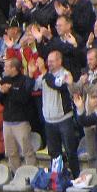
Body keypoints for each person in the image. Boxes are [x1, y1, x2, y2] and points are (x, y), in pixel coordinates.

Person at [39, 49, 79, 177]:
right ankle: (57, 179)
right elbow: (34, 86)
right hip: (49, 121)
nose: (48, 64)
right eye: (48, 61)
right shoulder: (46, 75)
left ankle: (76, 176)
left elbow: (57, 85)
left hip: (64, 119)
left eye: (51, 61)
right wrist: (31, 73)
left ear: (59, 61)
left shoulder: (65, 74)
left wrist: (45, 73)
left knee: (70, 150)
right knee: (54, 153)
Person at [0, 57, 36, 169]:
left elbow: (24, 98)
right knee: (11, 152)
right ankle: (16, 175)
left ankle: (32, 174)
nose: (4, 68)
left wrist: (10, 91)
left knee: (27, 151)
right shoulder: (4, 80)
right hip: (7, 122)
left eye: (6, 66)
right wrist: (1, 92)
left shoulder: (24, 80)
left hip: (21, 122)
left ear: (14, 68)